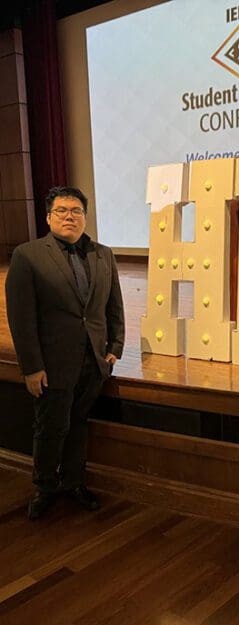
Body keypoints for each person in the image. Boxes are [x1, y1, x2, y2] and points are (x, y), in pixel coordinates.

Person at [5, 186, 125, 520]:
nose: (69, 216)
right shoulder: (28, 255)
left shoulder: (104, 254)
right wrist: (31, 367)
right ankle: (45, 487)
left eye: (76, 211)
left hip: (94, 361)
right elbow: (21, 317)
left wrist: (115, 348)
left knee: (79, 424)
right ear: (48, 217)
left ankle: (73, 483)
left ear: (85, 217)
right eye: (61, 210)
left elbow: (113, 306)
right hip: (52, 364)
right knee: (50, 427)